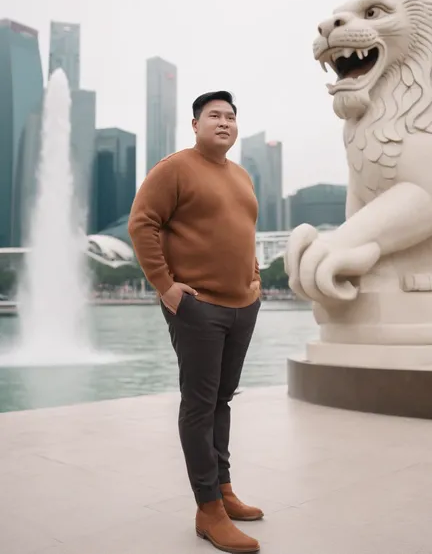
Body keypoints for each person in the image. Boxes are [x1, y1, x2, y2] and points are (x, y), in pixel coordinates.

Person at [128, 91, 263, 553]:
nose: (223, 123)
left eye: (230, 117)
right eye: (214, 116)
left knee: (222, 401)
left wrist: (255, 279)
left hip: (243, 306)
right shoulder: (176, 168)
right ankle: (208, 510)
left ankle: (223, 491)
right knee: (200, 405)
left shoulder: (242, 176)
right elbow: (141, 223)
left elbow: (243, 234)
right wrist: (165, 286)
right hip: (198, 307)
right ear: (195, 124)